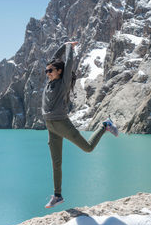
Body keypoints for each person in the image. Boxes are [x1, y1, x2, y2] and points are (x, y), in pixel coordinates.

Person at [42, 41, 119, 209]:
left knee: (88, 147)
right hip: (51, 126)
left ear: (59, 71)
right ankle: (57, 195)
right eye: (46, 70)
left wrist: (70, 47)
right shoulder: (49, 83)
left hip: (61, 123)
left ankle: (104, 125)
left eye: (50, 70)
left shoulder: (63, 83)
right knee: (56, 163)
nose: (47, 73)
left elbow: (68, 63)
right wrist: (63, 45)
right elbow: (55, 57)